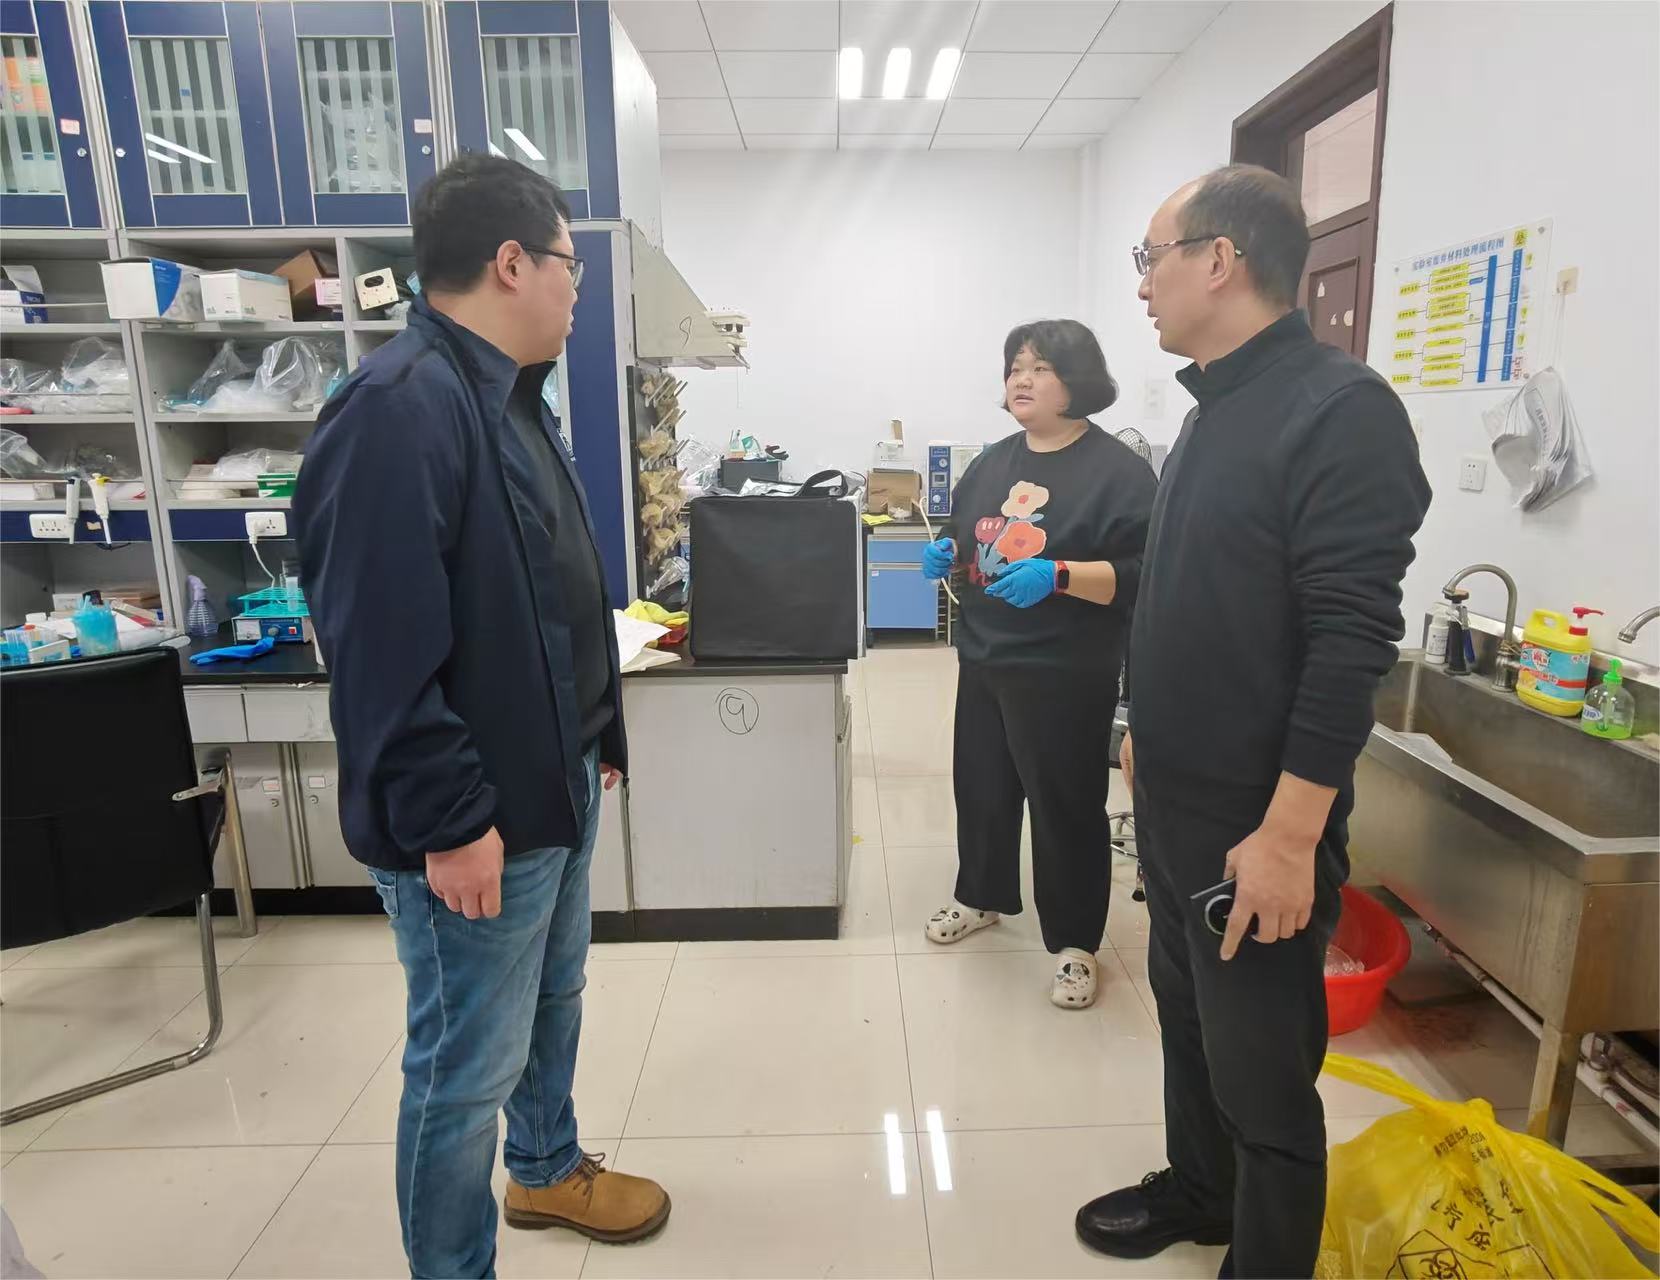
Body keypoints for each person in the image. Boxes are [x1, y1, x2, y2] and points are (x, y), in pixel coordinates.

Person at [294, 154, 669, 1279]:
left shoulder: (510, 396)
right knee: (463, 1069)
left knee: (553, 1000)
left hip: (552, 781)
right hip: (476, 814)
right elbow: (377, 650)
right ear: (512, 263)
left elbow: (545, 595)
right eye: (568, 267)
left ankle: (545, 1167)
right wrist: (451, 820)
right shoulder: (397, 408)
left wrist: (596, 736)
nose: (574, 290)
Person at [1074, 166, 1430, 1276]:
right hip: (1177, 799)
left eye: (1152, 258)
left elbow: (1349, 641)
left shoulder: (1340, 410)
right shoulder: (1211, 412)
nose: (1142, 284)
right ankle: (1201, 1189)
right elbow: (1186, 595)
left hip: (1258, 816)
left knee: (1265, 1071)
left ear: (1219, 260)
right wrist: (1139, 724)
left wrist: (1287, 835)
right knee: (1187, 1018)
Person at [921, 319, 1156, 1010]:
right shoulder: (992, 462)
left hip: (1065, 669)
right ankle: (982, 895)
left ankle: (1076, 943)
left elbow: (1147, 572)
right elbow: (968, 540)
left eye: (1040, 368)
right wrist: (947, 554)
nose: (1021, 380)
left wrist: (1060, 576)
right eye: (1015, 367)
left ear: (1076, 380)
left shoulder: (1118, 473)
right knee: (983, 788)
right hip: (985, 657)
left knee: (1065, 807)